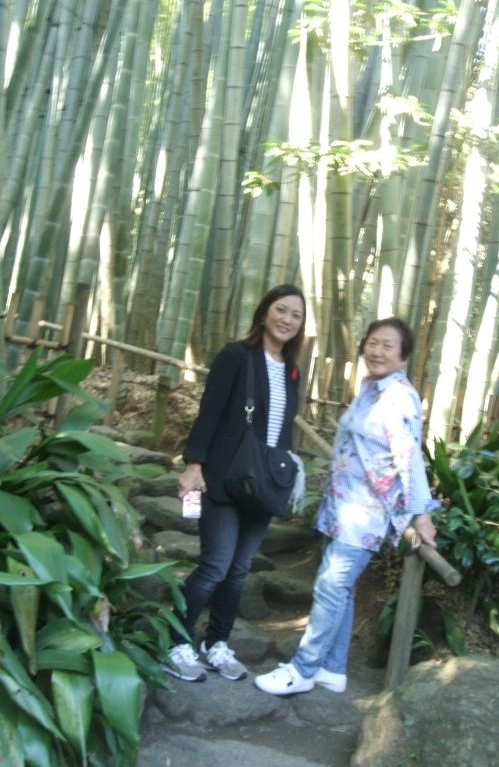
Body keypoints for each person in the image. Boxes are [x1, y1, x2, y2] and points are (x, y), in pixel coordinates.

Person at [254, 317, 438, 696]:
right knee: (342, 589)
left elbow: (409, 458)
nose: (377, 351)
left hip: (366, 512)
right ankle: (332, 668)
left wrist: (422, 514)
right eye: (372, 343)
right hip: (347, 506)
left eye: (388, 345)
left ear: (403, 356)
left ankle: (303, 669)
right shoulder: (371, 389)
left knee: (329, 586)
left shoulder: (398, 397)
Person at [163, 285, 306, 682]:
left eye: (296, 315)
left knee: (240, 569)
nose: (287, 319)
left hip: (264, 482)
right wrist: (194, 464)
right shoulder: (236, 356)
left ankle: (216, 643)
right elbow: (209, 412)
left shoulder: (292, 368)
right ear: (264, 313)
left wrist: (288, 474)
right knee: (214, 565)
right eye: (281, 310)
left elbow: (281, 431)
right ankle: (175, 642)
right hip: (225, 475)